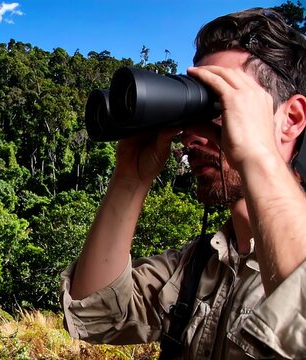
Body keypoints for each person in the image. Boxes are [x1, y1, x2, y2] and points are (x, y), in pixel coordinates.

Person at [60, 7, 306, 359]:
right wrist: (130, 177)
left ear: (292, 119)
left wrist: (256, 155)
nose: (194, 135)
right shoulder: (197, 265)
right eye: (196, 113)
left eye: (223, 104)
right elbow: (96, 315)